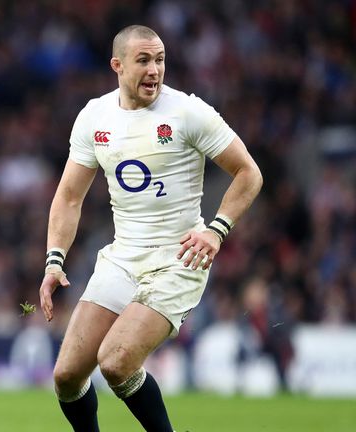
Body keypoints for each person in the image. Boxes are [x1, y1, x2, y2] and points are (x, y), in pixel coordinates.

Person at [38, 25, 263, 431]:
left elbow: (248, 173)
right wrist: (55, 261)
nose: (154, 69)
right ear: (117, 65)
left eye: (160, 59)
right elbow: (69, 196)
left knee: (116, 362)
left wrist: (216, 230)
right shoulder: (94, 117)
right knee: (67, 376)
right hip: (123, 257)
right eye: (143, 60)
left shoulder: (188, 112)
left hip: (179, 258)